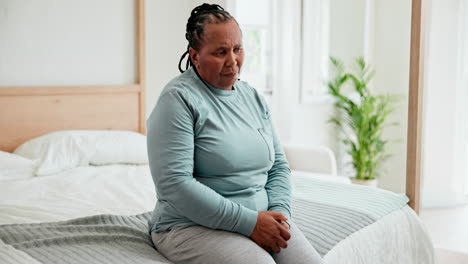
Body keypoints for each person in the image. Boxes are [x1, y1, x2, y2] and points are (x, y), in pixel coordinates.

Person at [146, 3, 323, 264]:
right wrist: (249, 223)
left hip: (260, 219)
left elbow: (279, 167)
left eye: (237, 49)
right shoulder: (178, 99)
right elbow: (175, 185)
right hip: (190, 225)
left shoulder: (252, 97)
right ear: (194, 56)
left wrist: (278, 216)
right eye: (220, 52)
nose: (232, 61)